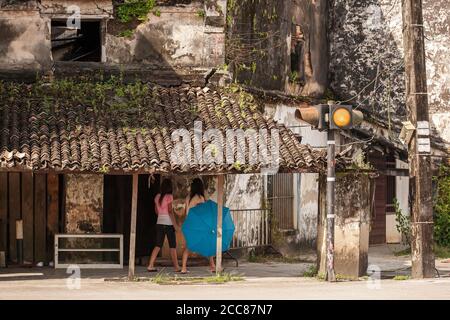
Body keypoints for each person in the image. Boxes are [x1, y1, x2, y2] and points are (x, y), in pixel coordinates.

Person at [181, 178, 216, 274]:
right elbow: (203, 211)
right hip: (198, 224)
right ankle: (212, 266)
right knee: (208, 243)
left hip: (189, 223)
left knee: (188, 246)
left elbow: (186, 212)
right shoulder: (199, 197)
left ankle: (183, 268)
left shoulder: (188, 197)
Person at [147, 179, 181, 272]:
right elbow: (170, 211)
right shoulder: (169, 196)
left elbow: (156, 211)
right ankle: (176, 267)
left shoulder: (157, 196)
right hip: (168, 223)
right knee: (172, 246)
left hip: (159, 223)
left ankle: (150, 265)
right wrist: (175, 225)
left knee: (158, 245)